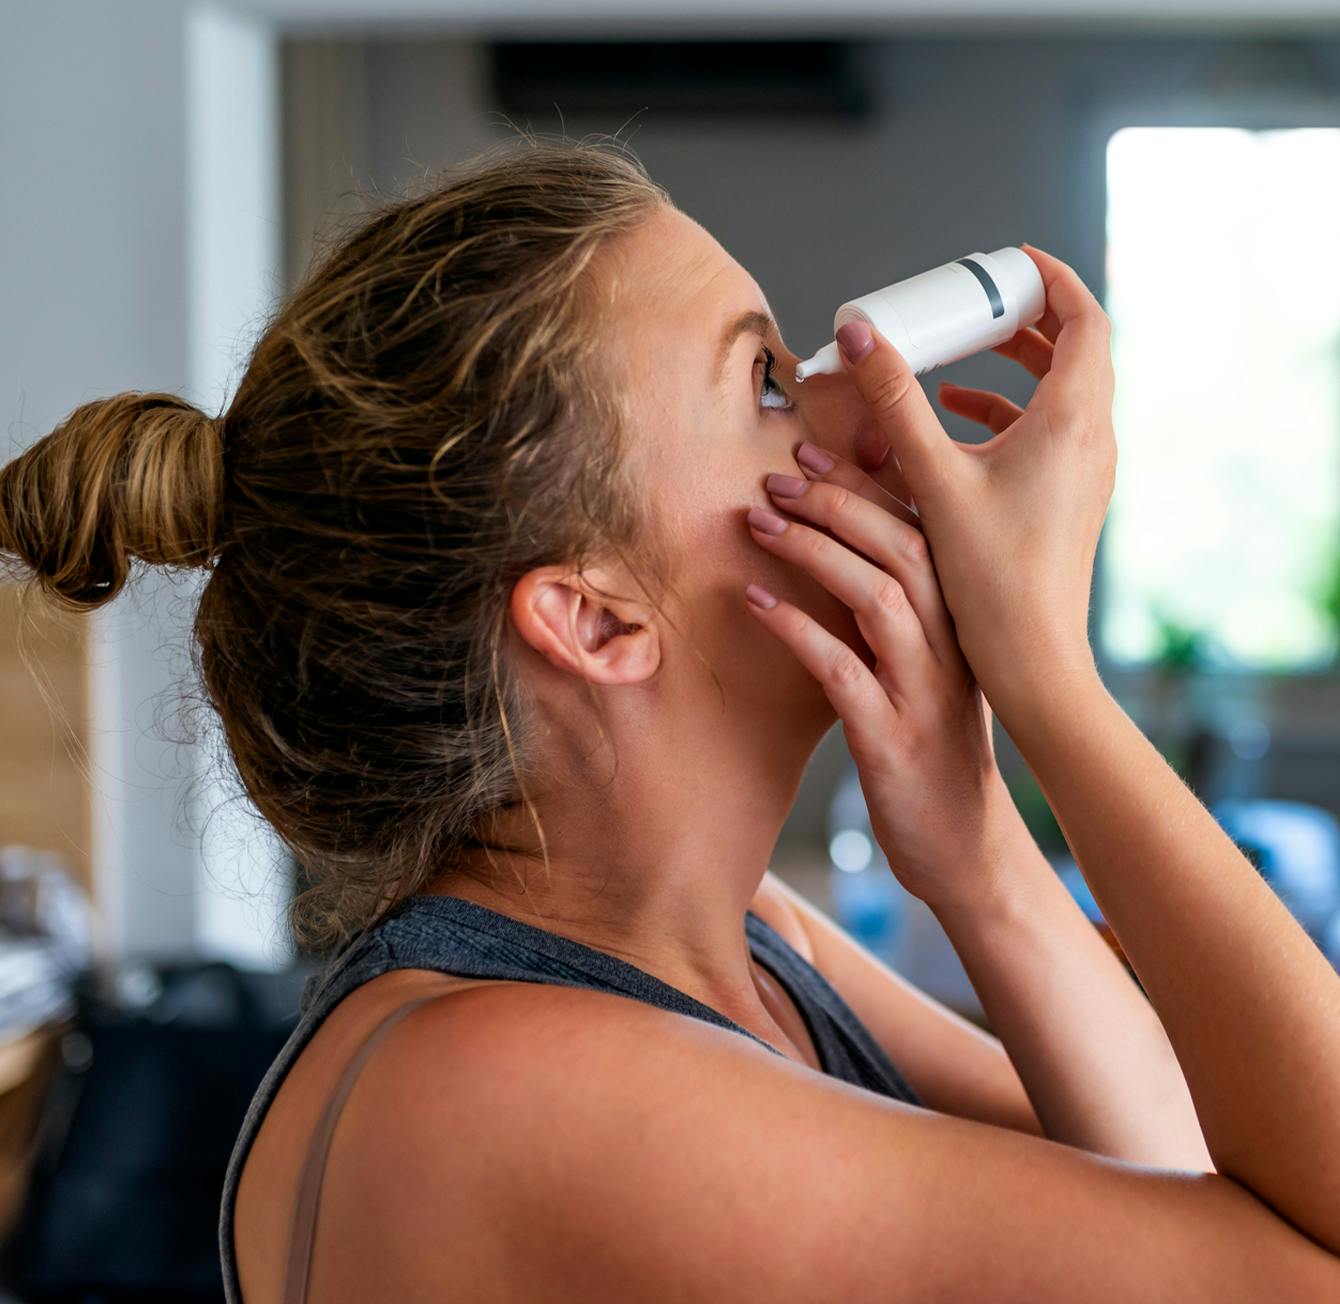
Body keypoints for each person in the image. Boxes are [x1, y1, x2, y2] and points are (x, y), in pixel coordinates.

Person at [2, 133, 1337, 1303]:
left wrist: (982, 858)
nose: (861, 401)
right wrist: (1047, 675)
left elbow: (1172, 1193)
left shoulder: (754, 949)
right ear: (596, 620)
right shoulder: (519, 1095)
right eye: (765, 381)